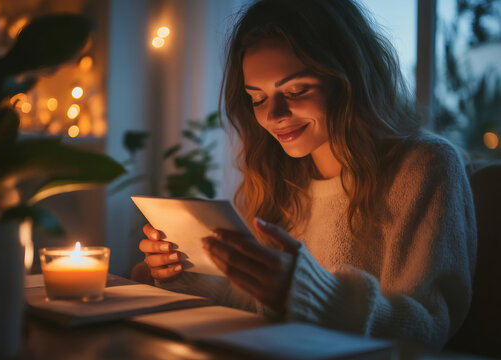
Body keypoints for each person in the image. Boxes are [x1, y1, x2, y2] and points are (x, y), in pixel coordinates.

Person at [135, 0, 477, 350]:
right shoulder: (279, 176)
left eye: (296, 91)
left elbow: (427, 326)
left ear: (348, 79)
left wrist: (307, 291)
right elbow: (259, 306)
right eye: (257, 98)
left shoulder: (425, 165)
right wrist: (185, 275)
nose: (274, 115)